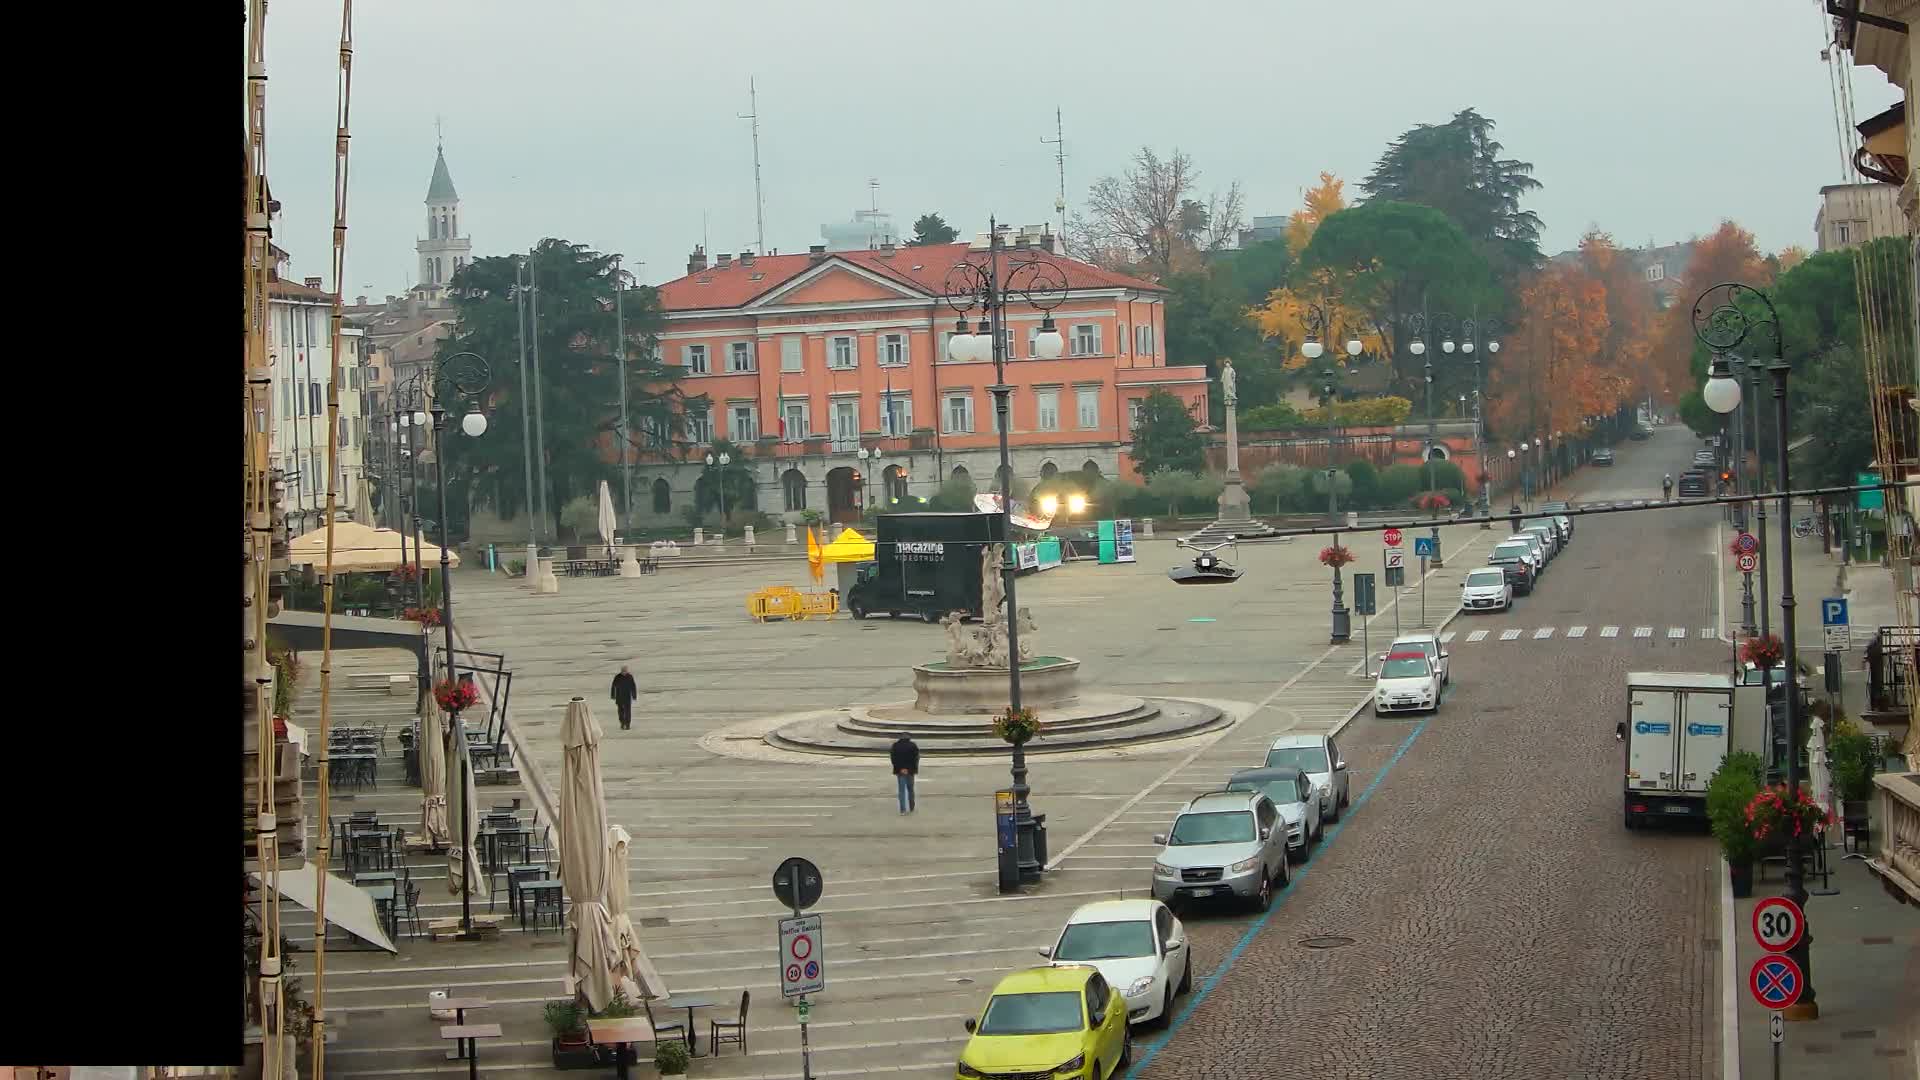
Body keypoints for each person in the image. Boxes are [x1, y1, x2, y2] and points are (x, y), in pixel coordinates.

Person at [890, 732, 920, 814]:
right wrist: (910, 769)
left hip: (900, 771)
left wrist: (901, 768)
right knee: (910, 789)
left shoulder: (895, 746)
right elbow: (916, 759)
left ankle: (902, 809)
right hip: (910, 771)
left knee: (901, 790)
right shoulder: (913, 745)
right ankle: (911, 806)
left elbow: (893, 759)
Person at [610, 665, 638, 731]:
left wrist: (634, 696)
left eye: (625, 671)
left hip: (627, 697)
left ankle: (628, 724)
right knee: (620, 711)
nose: (624, 672)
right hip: (619, 696)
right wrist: (613, 695)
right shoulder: (617, 677)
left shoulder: (630, 677)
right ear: (621, 671)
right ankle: (622, 723)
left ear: (627, 671)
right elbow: (613, 686)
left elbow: (633, 686)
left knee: (628, 711)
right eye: (623, 671)